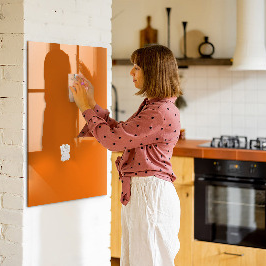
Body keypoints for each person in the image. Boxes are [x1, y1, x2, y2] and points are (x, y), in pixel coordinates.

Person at [69, 44, 183, 266]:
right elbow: (121, 133)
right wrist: (92, 104)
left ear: (153, 72)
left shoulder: (159, 111)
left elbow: (112, 141)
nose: (131, 73)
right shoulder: (155, 106)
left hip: (150, 195)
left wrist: (85, 108)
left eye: (137, 67)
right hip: (144, 193)